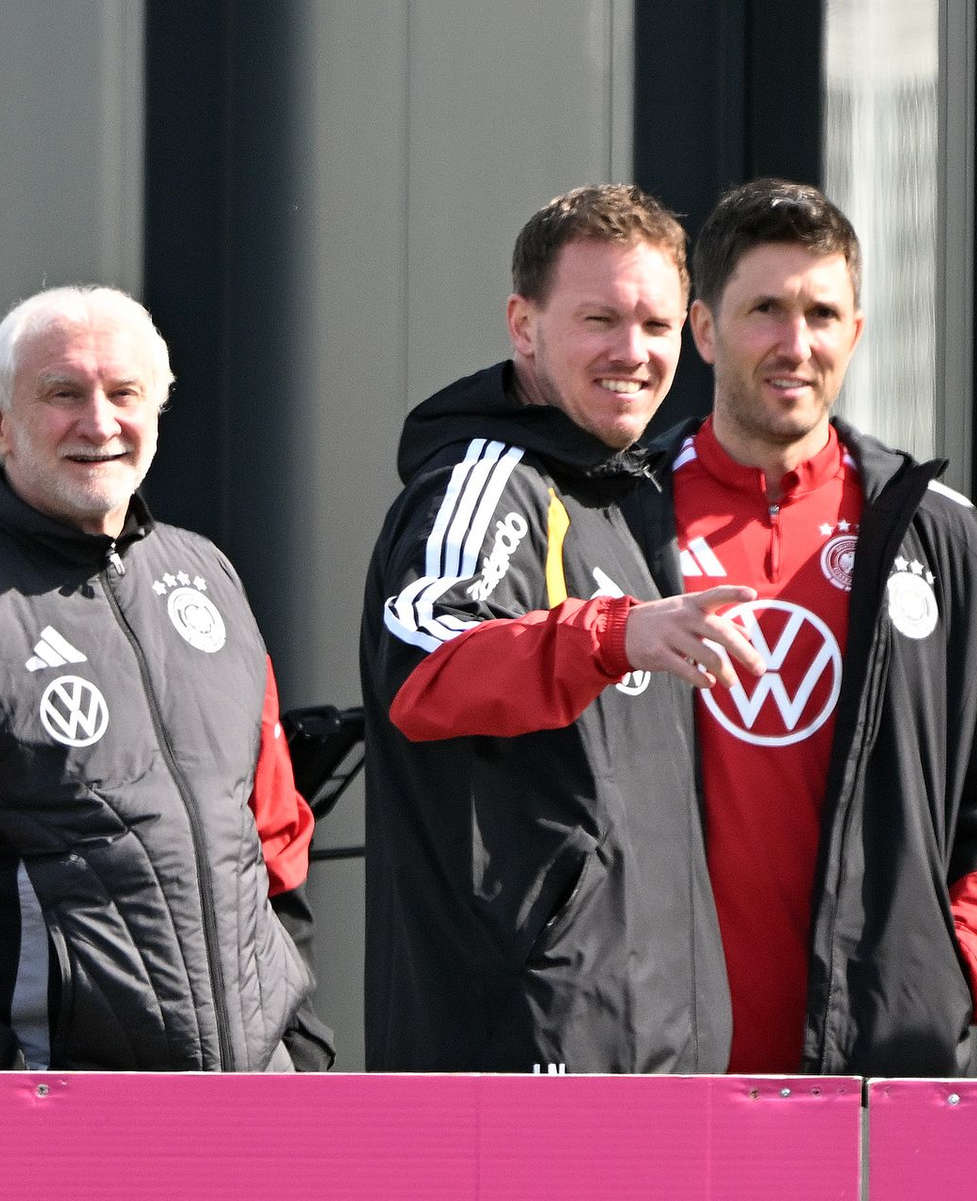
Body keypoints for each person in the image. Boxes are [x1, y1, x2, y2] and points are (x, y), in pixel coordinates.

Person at [0, 285, 334, 1072]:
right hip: (54, 1121)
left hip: (255, 1104)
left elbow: (273, 839)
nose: (99, 422)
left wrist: (296, 1041)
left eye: (124, 393)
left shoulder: (211, 577)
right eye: (63, 393)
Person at [361, 184, 765, 1072]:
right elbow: (428, 670)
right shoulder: (487, 478)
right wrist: (610, 635)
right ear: (522, 325)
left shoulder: (611, 495)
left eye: (657, 326)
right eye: (601, 321)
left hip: (651, 1056)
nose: (634, 353)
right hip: (527, 1063)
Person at [626, 177, 977, 1075]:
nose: (796, 343)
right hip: (658, 1062)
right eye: (766, 310)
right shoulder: (619, 520)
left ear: (855, 332)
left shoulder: (937, 533)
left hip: (880, 1066)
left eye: (823, 313)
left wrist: (949, 964)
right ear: (703, 330)